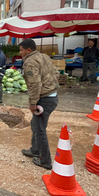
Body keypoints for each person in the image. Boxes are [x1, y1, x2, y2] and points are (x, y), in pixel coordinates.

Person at [19, 39, 59, 170]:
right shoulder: (44, 57)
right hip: (52, 95)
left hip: (44, 99)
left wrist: (33, 103)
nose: (20, 53)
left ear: (28, 50)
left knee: (40, 130)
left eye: (21, 50)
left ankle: (45, 160)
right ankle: (35, 150)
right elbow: (56, 73)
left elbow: (34, 83)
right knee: (35, 125)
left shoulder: (29, 62)